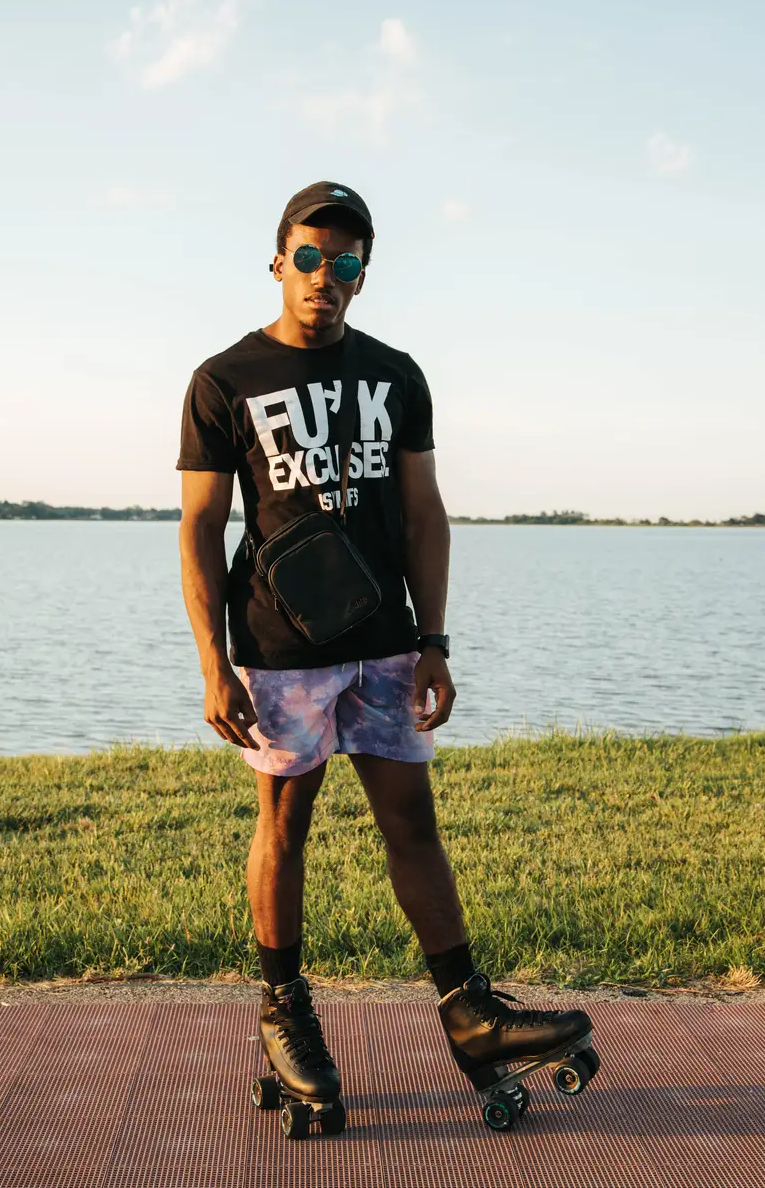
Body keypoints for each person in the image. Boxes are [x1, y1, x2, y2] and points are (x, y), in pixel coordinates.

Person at [178, 181, 593, 1134]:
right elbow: (200, 529)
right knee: (285, 826)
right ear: (279, 261)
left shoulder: (397, 374)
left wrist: (434, 639)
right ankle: (284, 1015)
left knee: (415, 827)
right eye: (311, 258)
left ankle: (471, 1013)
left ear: (366, 275)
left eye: (347, 263)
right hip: (281, 652)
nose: (326, 277)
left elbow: (422, 513)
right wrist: (211, 662)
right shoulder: (223, 379)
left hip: (386, 648)